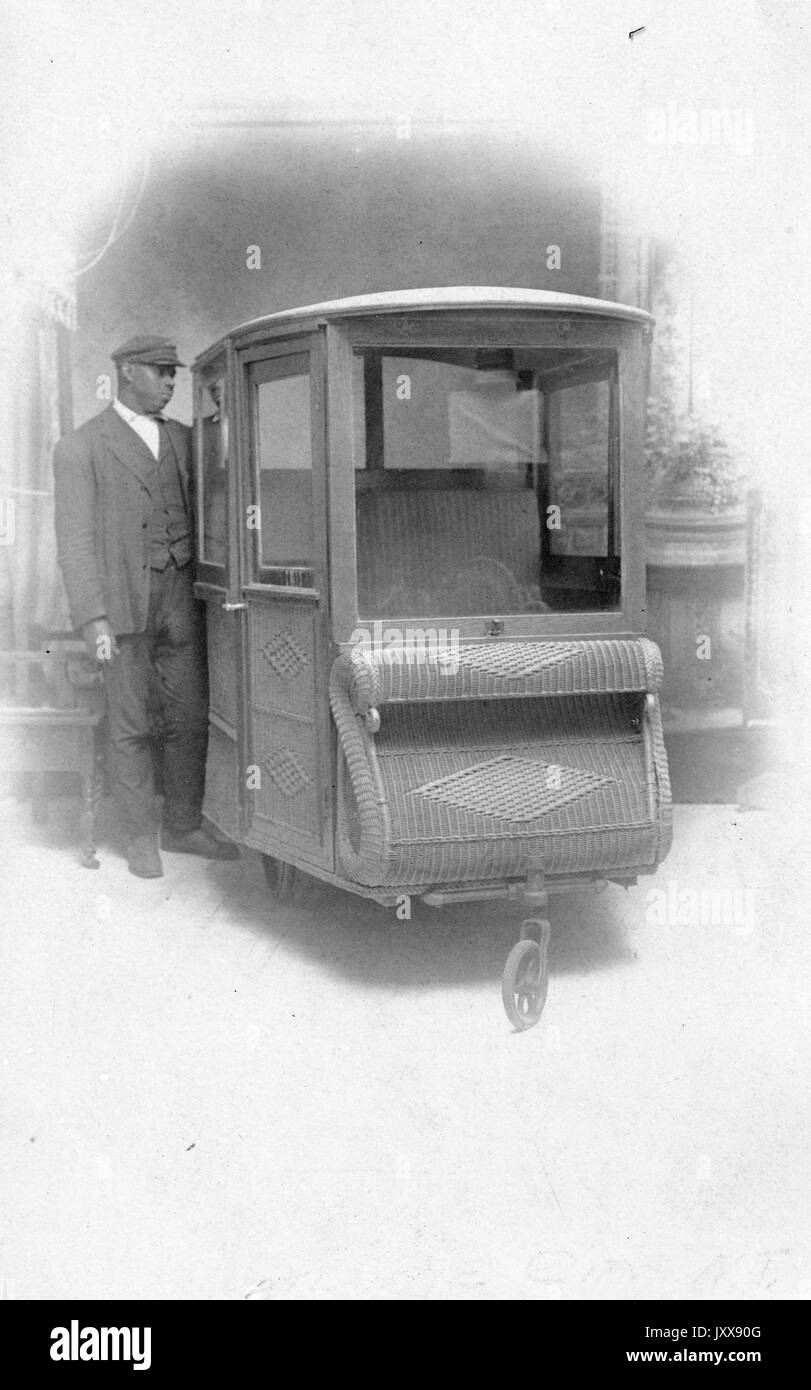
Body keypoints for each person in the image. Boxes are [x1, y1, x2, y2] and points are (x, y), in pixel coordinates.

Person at [53, 335, 238, 877]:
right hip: (122, 605)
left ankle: (181, 824)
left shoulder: (181, 439)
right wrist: (93, 619)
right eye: (160, 372)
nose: (170, 382)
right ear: (126, 372)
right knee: (130, 724)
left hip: (180, 598)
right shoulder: (81, 446)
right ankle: (137, 836)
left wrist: (226, 414)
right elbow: (75, 542)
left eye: (174, 374)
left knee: (188, 716)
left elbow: (225, 462)